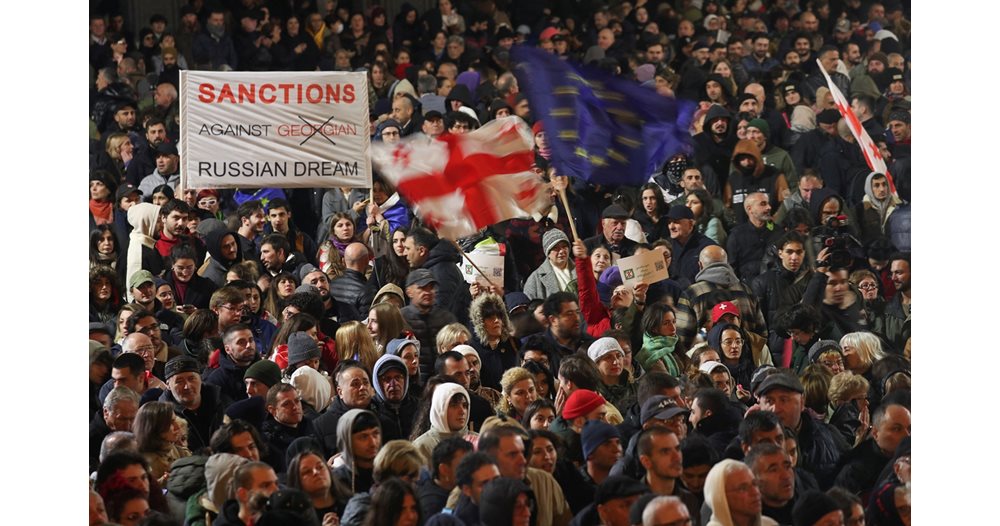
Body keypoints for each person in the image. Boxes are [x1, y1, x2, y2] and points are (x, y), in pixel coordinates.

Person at [674, 245, 768, 349]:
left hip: (706, 362)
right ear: (726, 264)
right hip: (747, 362)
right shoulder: (746, 291)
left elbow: (681, 339)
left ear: (700, 265)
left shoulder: (692, 294)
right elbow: (762, 335)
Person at [401, 269, 459, 379]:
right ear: (409, 291)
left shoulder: (447, 318)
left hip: (443, 380)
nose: (428, 292)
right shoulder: (401, 319)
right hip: (413, 382)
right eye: (422, 288)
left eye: (431, 287)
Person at [414, 382, 479, 466]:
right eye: (454, 405)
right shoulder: (422, 447)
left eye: (465, 405)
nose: (462, 411)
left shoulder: (479, 441)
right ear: (440, 409)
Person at [703, 459, 779, 526]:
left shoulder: (770, 524)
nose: (755, 492)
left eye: (754, 484)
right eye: (743, 488)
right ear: (721, 498)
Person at [470, 292, 521, 391]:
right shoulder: (473, 349)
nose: (496, 320)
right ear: (480, 322)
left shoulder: (513, 342)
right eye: (490, 317)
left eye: (499, 316)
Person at [133, 400, 192, 483]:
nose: (177, 427)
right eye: (171, 423)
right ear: (155, 428)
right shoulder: (140, 464)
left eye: (175, 420)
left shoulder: (179, 452)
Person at [418, 437, 474, 517]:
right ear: (444, 470)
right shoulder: (430, 504)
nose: (471, 470)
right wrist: (449, 509)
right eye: (464, 465)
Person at [525, 228, 577, 301]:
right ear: (548, 253)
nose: (562, 251)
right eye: (556, 248)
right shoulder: (535, 278)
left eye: (564, 246)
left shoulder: (580, 270)